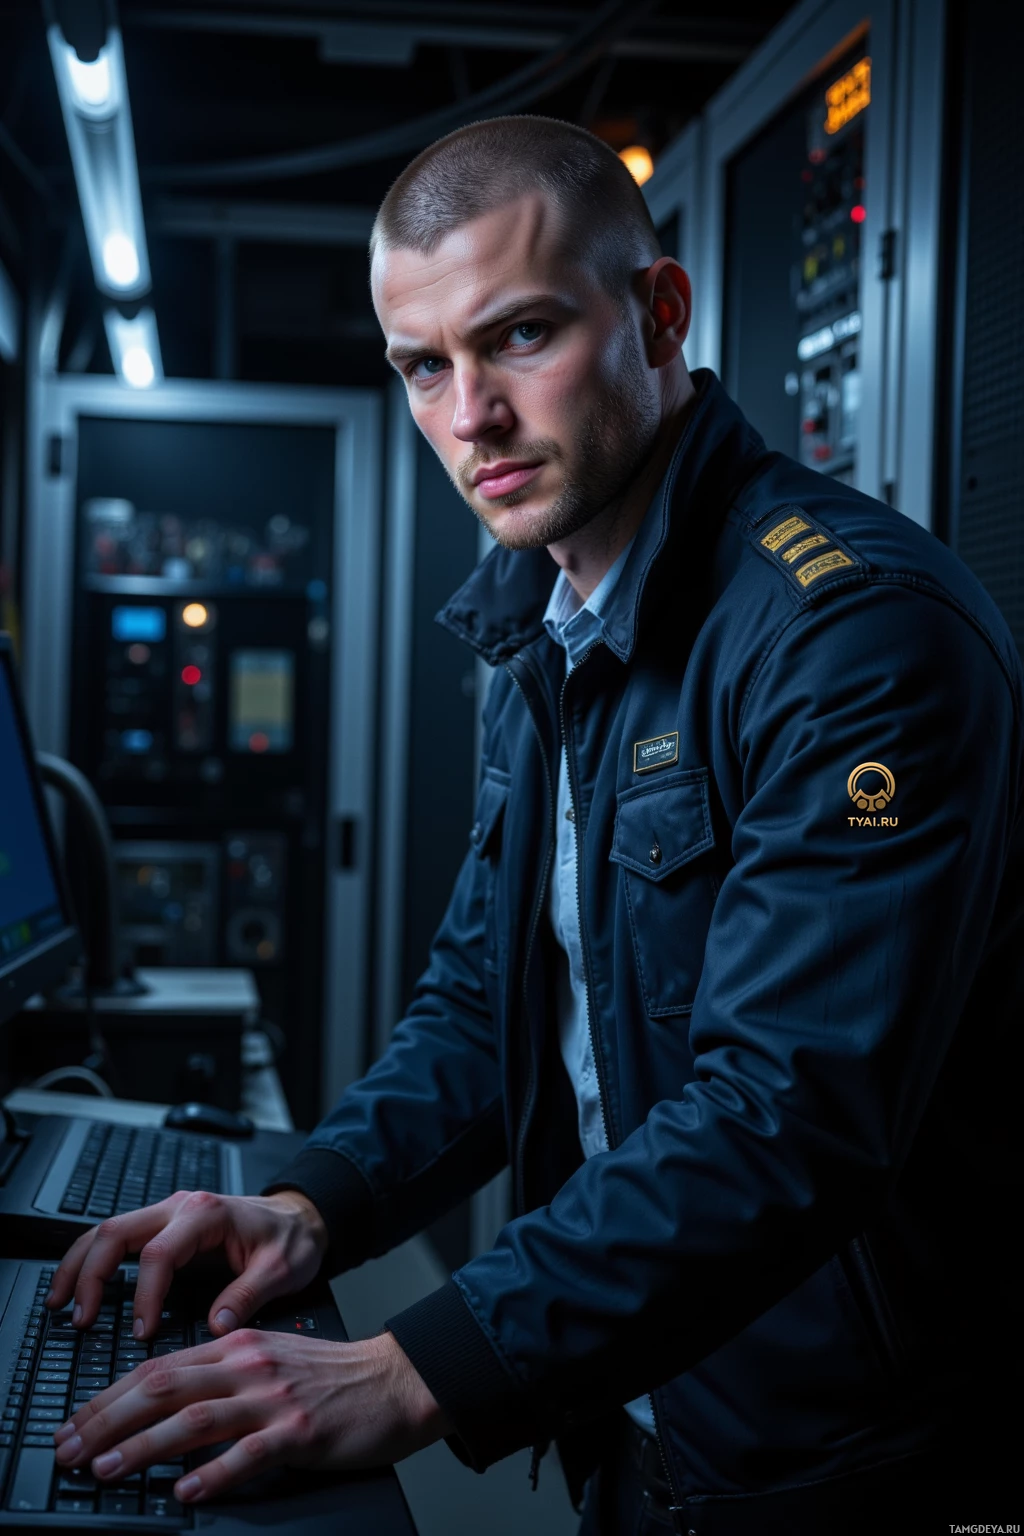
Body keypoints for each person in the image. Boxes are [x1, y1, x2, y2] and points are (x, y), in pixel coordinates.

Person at [46, 117, 1022, 1534]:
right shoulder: (549, 627)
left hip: (844, 1463)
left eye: (517, 338)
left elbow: (784, 1119)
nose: (468, 418)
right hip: (634, 1412)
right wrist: (310, 1205)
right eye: (423, 367)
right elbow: (480, 1009)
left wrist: (411, 1369)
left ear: (659, 313)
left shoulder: (855, 638)